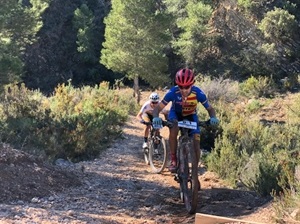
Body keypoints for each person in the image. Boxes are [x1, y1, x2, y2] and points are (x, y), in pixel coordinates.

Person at [152, 68, 219, 173]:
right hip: (176, 114)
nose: (184, 90)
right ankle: (173, 159)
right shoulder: (173, 92)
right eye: (181, 86)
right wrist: (156, 116)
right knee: (173, 128)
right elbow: (158, 108)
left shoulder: (198, 93)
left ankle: (195, 171)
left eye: (187, 87)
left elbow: (210, 109)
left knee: (196, 141)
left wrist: (213, 117)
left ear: (192, 84)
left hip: (191, 115)